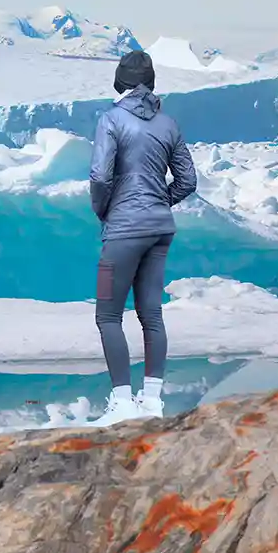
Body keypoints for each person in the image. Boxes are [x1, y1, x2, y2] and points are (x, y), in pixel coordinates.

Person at [87, 50, 197, 427]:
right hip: (160, 230)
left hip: (123, 230)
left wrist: (105, 210)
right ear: (151, 82)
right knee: (151, 313)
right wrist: (158, 202)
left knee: (107, 315)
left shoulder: (111, 120)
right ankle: (152, 402)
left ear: (118, 82)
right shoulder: (168, 123)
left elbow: (101, 177)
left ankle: (122, 404)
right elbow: (188, 181)